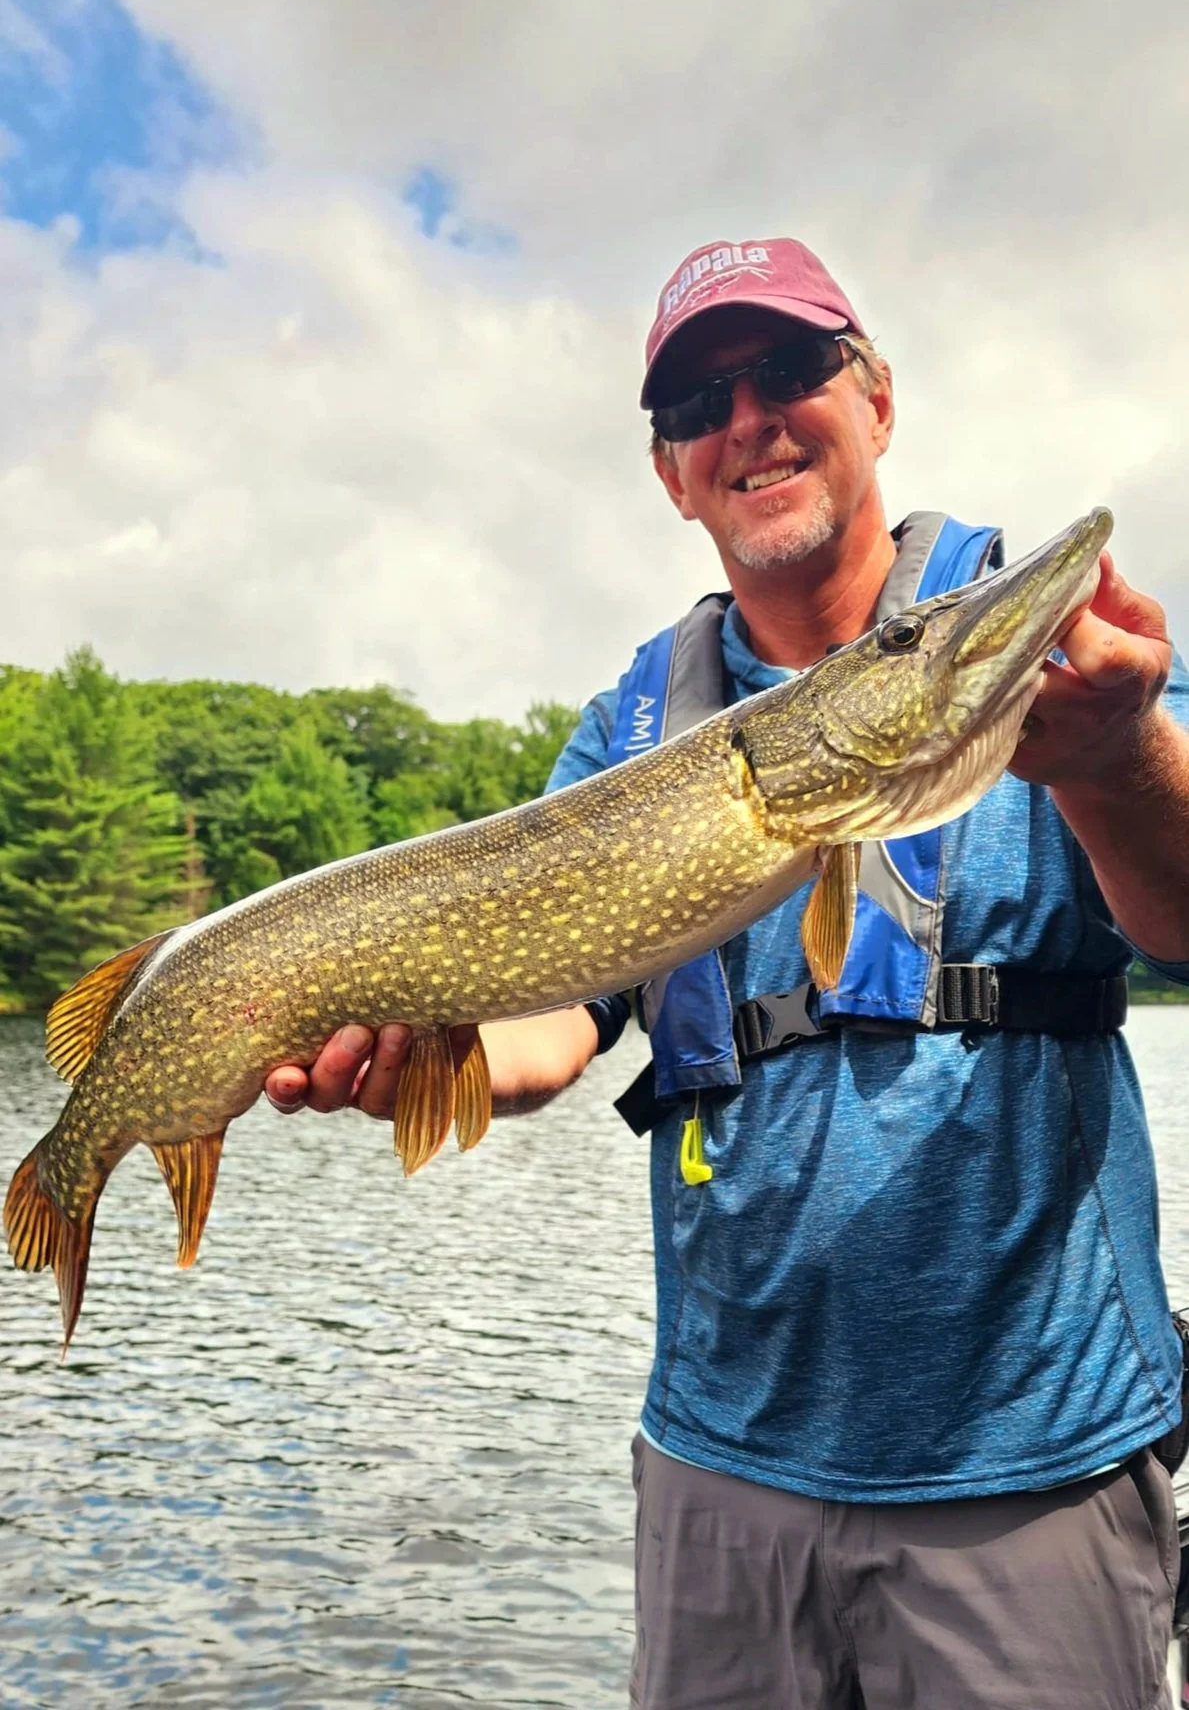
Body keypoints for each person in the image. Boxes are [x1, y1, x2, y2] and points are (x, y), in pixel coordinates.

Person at [265, 238, 1189, 1708]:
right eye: (699, 401)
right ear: (672, 476)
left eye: (790, 370)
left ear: (878, 398)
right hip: (721, 1475)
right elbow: (550, 1020)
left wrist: (1117, 758)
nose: (746, 417)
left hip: (1027, 1465)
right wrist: (408, 1045)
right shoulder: (635, 729)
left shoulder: (1062, 665)